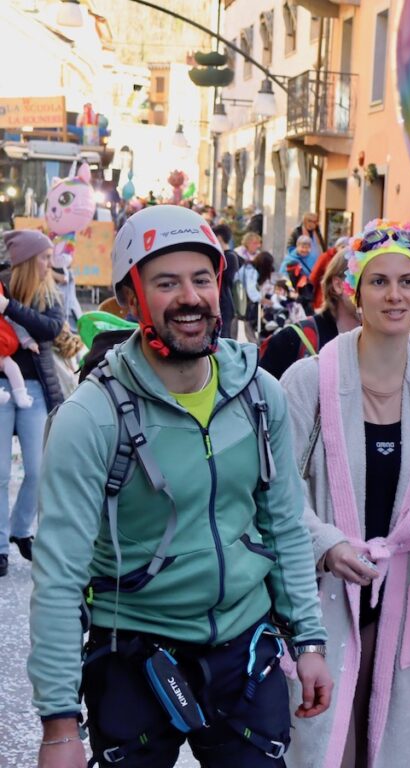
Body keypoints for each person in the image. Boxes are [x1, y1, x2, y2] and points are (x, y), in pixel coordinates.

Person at [27, 205, 333, 768]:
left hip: (245, 649)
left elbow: (285, 524)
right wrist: (59, 726)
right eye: (166, 283)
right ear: (130, 296)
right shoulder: (90, 418)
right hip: (133, 654)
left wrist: (308, 641)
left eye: (201, 279)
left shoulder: (260, 394)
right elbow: (59, 578)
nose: (189, 298)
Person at [281, 219, 410, 768]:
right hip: (322, 592)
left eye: (406, 281)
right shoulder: (308, 381)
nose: (394, 295)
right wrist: (325, 541)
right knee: (322, 740)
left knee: (395, 741)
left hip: (399, 587)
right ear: (355, 290)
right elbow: (275, 487)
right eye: (379, 282)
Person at [0, 229, 66, 578]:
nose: (49, 262)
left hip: (37, 389)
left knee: (38, 470)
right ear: (27, 259)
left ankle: (19, 528)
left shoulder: (49, 291)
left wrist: (11, 308)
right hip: (1, 386)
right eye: (43, 256)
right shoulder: (1, 284)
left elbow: (52, 329)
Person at [258, 251, 360, 379]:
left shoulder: (386, 343)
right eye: (375, 281)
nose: (392, 295)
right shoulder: (291, 340)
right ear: (338, 285)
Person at [212, 223, 240, 340]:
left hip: (224, 303)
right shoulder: (230, 256)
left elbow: (222, 279)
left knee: (223, 339)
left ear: (219, 238)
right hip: (222, 302)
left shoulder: (228, 257)